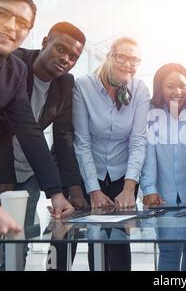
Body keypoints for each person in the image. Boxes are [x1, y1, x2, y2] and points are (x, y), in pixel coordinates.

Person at [0, 0, 74, 239]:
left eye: (22, 23)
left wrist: (55, 192)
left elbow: (29, 131)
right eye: (2, 13)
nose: (11, 26)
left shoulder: (15, 70)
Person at [73, 36, 150, 271]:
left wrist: (129, 189)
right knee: (95, 238)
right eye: (121, 57)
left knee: (119, 240)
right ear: (109, 56)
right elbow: (82, 142)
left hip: (123, 174)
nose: (128, 64)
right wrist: (93, 190)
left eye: (134, 59)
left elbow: (138, 141)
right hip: (90, 171)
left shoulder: (139, 89)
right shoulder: (83, 85)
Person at [141, 63, 186, 271]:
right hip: (163, 192)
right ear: (160, 88)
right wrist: (149, 189)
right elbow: (148, 153)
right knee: (168, 250)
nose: (178, 91)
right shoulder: (151, 112)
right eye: (170, 86)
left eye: (182, 86)